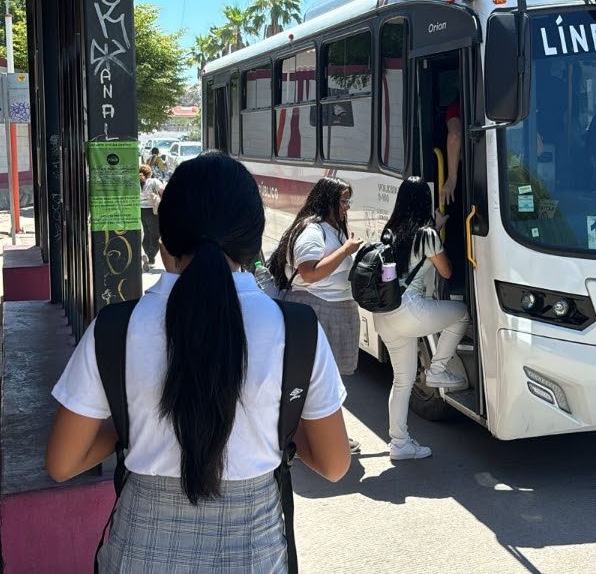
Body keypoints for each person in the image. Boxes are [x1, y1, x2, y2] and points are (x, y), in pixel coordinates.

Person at [46, 152, 351, 572]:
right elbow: (335, 465)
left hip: (140, 554)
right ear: (252, 240)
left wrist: (130, 426)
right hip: (254, 556)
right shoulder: (297, 330)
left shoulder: (115, 329)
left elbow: (63, 463)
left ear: (163, 240)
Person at [372, 177, 469, 461]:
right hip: (410, 310)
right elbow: (447, 271)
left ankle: (399, 443)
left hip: (384, 314)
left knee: (401, 382)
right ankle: (438, 369)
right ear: (425, 201)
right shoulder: (427, 235)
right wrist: (438, 236)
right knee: (460, 313)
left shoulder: (390, 231)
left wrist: (434, 230)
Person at [267, 177, 364, 454]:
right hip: (318, 308)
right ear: (328, 200)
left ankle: (321, 437)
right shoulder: (313, 231)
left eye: (347, 201)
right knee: (316, 380)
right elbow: (309, 273)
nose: (346, 207)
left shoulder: (332, 228)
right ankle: (317, 439)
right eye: (343, 201)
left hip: (333, 309)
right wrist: (346, 250)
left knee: (324, 380)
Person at [138, 164, 163, 272]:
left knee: (146, 235)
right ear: (150, 173)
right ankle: (150, 256)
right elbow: (164, 191)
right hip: (153, 211)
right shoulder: (154, 182)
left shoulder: (136, 183)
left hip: (140, 211)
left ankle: (148, 256)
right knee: (156, 235)